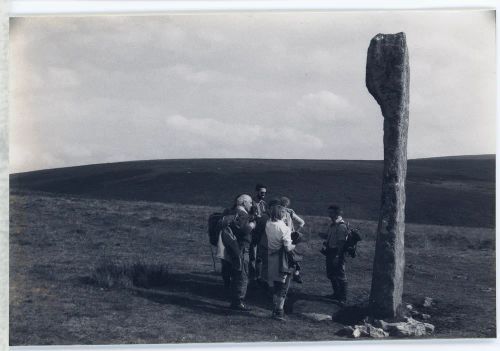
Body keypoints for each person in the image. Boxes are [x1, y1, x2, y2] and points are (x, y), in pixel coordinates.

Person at [217, 194, 256, 311]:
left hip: (232, 248)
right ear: (244, 203)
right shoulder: (243, 215)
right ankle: (238, 301)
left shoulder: (232, 213)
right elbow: (243, 231)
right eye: (250, 203)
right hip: (242, 248)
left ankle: (235, 299)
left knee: (236, 273)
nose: (251, 205)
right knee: (242, 275)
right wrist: (252, 225)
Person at [265, 204, 296, 321]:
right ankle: (279, 311)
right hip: (282, 258)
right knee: (283, 286)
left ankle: (274, 308)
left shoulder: (268, 224)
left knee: (275, 284)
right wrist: (295, 244)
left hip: (271, 256)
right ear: (281, 214)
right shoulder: (285, 228)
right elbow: (288, 248)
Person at [322, 205, 349, 306]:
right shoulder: (333, 225)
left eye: (331, 213)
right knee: (331, 274)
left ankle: (343, 298)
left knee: (340, 275)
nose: (329, 215)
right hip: (330, 252)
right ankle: (336, 294)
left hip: (337, 253)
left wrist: (338, 256)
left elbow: (341, 243)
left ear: (337, 213)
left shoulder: (341, 226)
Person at [279, 196, 305, 284]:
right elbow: (302, 222)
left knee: (289, 256)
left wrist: (296, 232)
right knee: (292, 255)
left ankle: (290, 274)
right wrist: (296, 231)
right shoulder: (290, 212)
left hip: (283, 237)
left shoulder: (278, 212)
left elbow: (301, 222)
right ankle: (296, 273)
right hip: (290, 237)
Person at [249, 183, 268, 282]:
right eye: (262, 192)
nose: (264, 194)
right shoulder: (250, 203)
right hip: (253, 234)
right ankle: (252, 278)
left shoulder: (264, 204)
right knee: (253, 256)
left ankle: (258, 277)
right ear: (257, 192)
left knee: (260, 257)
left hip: (261, 234)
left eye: (265, 192)